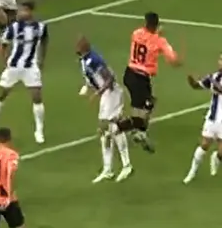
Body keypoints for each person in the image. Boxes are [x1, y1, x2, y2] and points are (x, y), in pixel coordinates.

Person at [113, 11, 182, 160]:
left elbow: (146, 39)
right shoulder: (160, 41)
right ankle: (117, 127)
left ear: (145, 22)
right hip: (140, 77)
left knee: (143, 106)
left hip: (129, 74)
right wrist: (179, 61)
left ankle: (139, 132)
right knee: (144, 110)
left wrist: (156, 34)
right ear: (157, 24)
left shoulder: (136, 33)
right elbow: (173, 59)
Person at [0, 2, 48, 144]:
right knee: (1, 95)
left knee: (37, 97)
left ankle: (39, 131)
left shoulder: (40, 27)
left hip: (30, 67)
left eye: (22, 10)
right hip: (14, 67)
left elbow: (45, 40)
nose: (19, 13)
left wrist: (41, 59)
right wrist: (4, 63)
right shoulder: (14, 28)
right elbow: (3, 45)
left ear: (29, 11)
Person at [77, 36, 132, 183]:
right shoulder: (83, 60)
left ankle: (126, 165)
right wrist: (87, 87)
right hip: (105, 95)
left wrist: (97, 93)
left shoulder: (94, 59)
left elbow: (110, 78)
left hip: (111, 93)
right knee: (104, 131)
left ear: (85, 46)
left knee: (112, 127)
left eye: (80, 44)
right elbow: (92, 78)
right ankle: (108, 169)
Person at [182, 54, 222, 184]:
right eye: (220, 59)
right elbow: (197, 86)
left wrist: (212, 81)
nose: (220, 62)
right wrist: (191, 80)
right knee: (205, 144)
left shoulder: (213, 79)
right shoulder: (214, 77)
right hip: (213, 117)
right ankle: (192, 172)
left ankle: (216, 157)